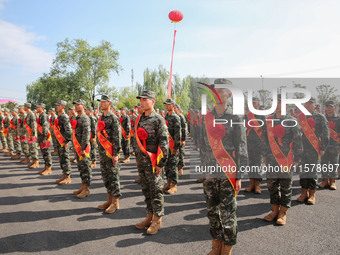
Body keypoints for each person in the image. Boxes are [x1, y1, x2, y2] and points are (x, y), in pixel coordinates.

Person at [200, 79, 247, 255]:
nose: (219, 93)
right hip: (210, 173)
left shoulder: (235, 117)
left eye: (223, 90)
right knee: (212, 212)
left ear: (229, 94)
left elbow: (241, 147)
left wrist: (240, 175)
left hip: (228, 173)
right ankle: (215, 246)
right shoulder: (207, 117)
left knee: (228, 214)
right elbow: (203, 145)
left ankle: (227, 249)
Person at [262, 94, 303, 225]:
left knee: (285, 187)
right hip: (271, 159)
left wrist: (297, 159)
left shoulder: (292, 121)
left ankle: (283, 213)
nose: (278, 105)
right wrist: (264, 156)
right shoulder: (268, 121)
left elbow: (298, 141)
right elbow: (264, 140)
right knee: (272, 186)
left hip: (287, 160)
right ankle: (274, 210)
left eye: (280, 102)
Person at [134, 90, 168, 235]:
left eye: (145, 99)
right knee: (146, 190)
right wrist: (136, 157)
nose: (141, 102)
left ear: (152, 101)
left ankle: (157, 220)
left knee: (156, 191)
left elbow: (164, 144)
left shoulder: (158, 119)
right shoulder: (139, 119)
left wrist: (160, 164)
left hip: (154, 163)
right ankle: (149, 216)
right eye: (141, 99)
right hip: (142, 162)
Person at [296, 97, 329, 205]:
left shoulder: (320, 117)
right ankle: (303, 193)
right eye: (306, 104)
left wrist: (323, 148)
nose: (308, 106)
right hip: (301, 149)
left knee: (313, 172)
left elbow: (325, 134)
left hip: (314, 149)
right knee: (303, 172)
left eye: (310, 104)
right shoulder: (300, 117)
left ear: (315, 105)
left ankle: (312, 194)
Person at [96, 95, 122, 213]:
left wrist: (115, 154)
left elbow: (117, 137)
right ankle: (109, 199)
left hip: (111, 152)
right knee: (106, 177)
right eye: (101, 101)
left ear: (109, 103)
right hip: (102, 152)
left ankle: (115, 202)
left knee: (113, 177)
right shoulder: (101, 117)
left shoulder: (113, 118)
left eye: (104, 101)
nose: (101, 103)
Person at [71, 99, 92, 199]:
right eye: (75, 104)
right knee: (81, 168)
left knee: (85, 168)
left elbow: (86, 135)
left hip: (83, 148)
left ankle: (86, 189)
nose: (76, 106)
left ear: (83, 106)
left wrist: (83, 148)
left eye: (78, 104)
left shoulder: (85, 118)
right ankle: (82, 187)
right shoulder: (77, 117)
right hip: (77, 146)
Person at [244, 97, 265, 194]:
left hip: (259, 144)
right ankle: (251, 183)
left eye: (254, 103)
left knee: (258, 164)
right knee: (250, 164)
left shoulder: (262, 116)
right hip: (248, 143)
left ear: (258, 105)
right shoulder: (246, 116)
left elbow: (265, 131)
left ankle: (258, 185)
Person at [318, 100, 339, 190]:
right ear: (325, 108)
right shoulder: (322, 118)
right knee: (324, 163)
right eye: (327, 107)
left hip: (334, 145)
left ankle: (332, 182)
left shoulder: (338, 119)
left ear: (334, 108)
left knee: (334, 163)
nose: (329, 108)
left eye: (331, 107)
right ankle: (325, 180)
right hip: (324, 145)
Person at [163, 99, 181, 194]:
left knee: (173, 165)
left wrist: (176, 146)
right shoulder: (166, 116)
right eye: (166, 104)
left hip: (173, 145)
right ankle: (168, 183)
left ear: (173, 105)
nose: (166, 106)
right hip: (166, 145)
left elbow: (178, 133)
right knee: (167, 165)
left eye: (168, 104)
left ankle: (174, 185)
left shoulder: (175, 117)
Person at [53, 100, 73, 185]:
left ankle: (67, 177)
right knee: (61, 159)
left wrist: (67, 141)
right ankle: (64, 175)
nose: (57, 107)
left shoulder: (64, 116)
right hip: (59, 141)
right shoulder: (59, 116)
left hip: (63, 142)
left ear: (63, 107)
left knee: (65, 158)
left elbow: (68, 130)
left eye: (59, 105)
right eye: (57, 105)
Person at [36, 103, 53, 175]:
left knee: (47, 153)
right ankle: (46, 167)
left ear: (42, 108)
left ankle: (49, 168)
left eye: (38, 107)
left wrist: (45, 138)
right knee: (43, 153)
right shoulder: (40, 115)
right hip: (41, 137)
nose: (37, 108)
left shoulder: (44, 116)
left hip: (44, 137)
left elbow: (45, 127)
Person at [23, 103, 39, 168]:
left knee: (33, 148)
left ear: (27, 107)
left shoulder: (31, 114)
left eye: (24, 106)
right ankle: (33, 161)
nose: (23, 108)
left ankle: (36, 162)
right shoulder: (28, 114)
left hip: (32, 134)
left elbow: (33, 125)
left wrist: (33, 134)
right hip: (29, 134)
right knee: (31, 148)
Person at [174, 103, 187, 176]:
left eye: (175, 108)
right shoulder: (172, 116)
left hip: (180, 138)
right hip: (173, 139)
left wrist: (184, 139)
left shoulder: (180, 116)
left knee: (181, 153)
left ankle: (180, 168)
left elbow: (184, 128)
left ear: (177, 109)